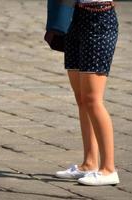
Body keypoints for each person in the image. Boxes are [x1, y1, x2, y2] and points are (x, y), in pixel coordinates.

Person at [44, 0, 120, 186]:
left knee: (93, 100)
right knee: (82, 99)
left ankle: (109, 169)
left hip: (99, 17)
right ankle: (89, 163)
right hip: (72, 17)